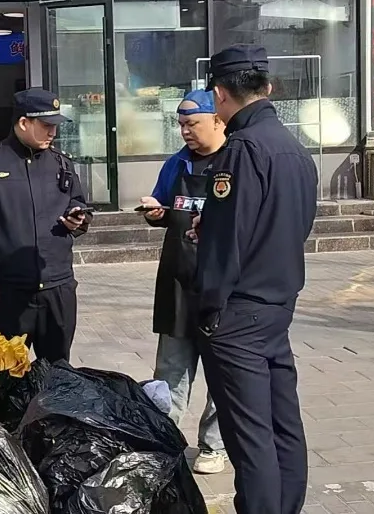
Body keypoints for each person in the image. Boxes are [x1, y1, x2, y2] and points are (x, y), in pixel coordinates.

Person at [189, 44, 318, 514]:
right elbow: (294, 225)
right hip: (278, 304)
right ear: (268, 88)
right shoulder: (295, 150)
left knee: (249, 435)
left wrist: (208, 308)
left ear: (220, 95)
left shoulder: (242, 150)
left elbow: (227, 241)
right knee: (284, 424)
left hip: (239, 311)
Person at [0, 87, 92, 406]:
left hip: (57, 285)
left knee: (59, 372)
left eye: (55, 125)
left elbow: (78, 204)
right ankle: (1, 427)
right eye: (46, 125)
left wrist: (78, 218)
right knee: (7, 372)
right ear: (23, 123)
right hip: (9, 291)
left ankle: (53, 427)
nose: (53, 132)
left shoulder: (61, 163)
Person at [138, 90, 228, 474]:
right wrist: (154, 212)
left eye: (192, 124)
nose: (185, 131)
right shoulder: (176, 164)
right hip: (177, 282)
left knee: (222, 371)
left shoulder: (233, 162)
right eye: (181, 124)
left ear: (218, 120)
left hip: (221, 286)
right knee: (170, 371)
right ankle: (165, 440)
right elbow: (161, 206)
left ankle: (214, 446)